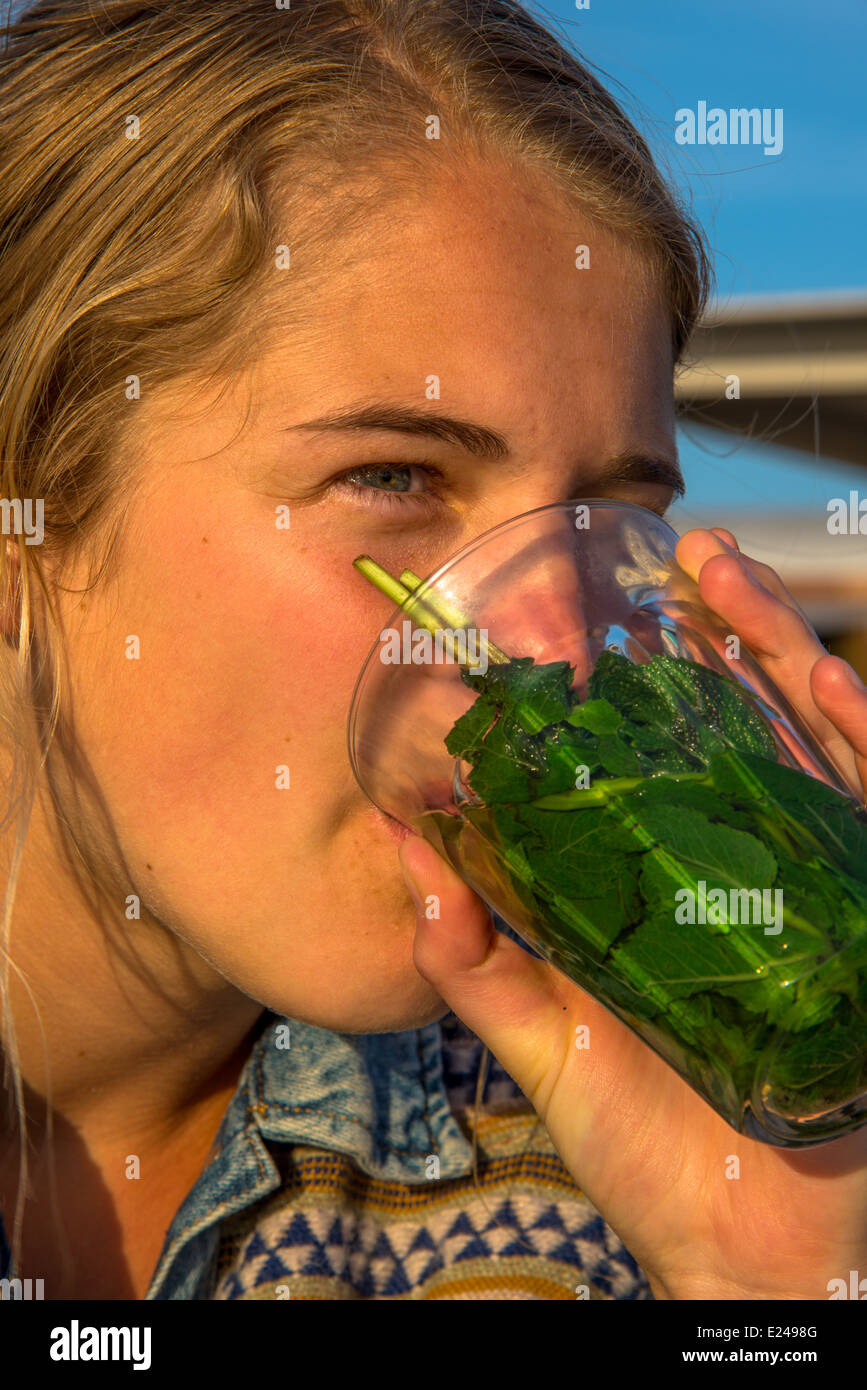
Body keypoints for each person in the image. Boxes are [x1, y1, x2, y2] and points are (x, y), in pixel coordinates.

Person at [0, 0, 864, 1302]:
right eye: (397, 472)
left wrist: (777, 1290)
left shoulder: (632, 1135)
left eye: (611, 521)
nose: (565, 647)